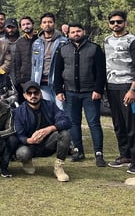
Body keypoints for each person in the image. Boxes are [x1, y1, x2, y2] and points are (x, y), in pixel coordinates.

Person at [54, 23, 107, 166]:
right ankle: (78, 150)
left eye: (78, 31)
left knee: (94, 123)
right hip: (70, 93)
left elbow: (101, 72)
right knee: (73, 123)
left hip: (90, 93)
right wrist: (58, 90)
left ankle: (98, 153)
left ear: (84, 32)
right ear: (68, 34)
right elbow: (57, 71)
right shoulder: (63, 49)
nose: (76, 34)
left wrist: (98, 90)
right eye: (73, 32)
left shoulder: (94, 48)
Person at [103, 10, 135, 174]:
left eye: (119, 22)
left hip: (127, 87)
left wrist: (133, 89)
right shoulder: (107, 41)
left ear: (125, 23)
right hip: (111, 86)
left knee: (131, 125)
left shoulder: (134, 42)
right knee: (118, 124)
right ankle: (125, 155)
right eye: (112, 22)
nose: (116, 25)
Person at [14, 82, 72, 182]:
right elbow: (18, 135)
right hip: (29, 146)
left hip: (47, 143)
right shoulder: (18, 112)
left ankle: (59, 167)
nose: (33, 96)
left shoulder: (50, 106)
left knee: (65, 134)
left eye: (36, 93)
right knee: (22, 153)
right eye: (29, 93)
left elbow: (66, 121)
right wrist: (30, 140)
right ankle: (27, 161)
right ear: (24, 95)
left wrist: (50, 128)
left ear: (40, 94)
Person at [30, 12, 68, 109]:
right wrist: (33, 83)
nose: (47, 24)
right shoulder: (37, 43)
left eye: (50, 22)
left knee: (61, 109)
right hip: (42, 83)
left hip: (58, 82)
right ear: (41, 25)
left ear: (54, 24)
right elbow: (34, 65)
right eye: (45, 22)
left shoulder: (63, 42)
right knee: (48, 110)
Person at [13, 16, 37, 102]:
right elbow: (17, 62)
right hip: (24, 79)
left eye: (28, 24)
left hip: (38, 77)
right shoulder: (20, 42)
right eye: (23, 25)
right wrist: (19, 80)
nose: (26, 26)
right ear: (21, 27)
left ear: (33, 24)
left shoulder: (39, 39)